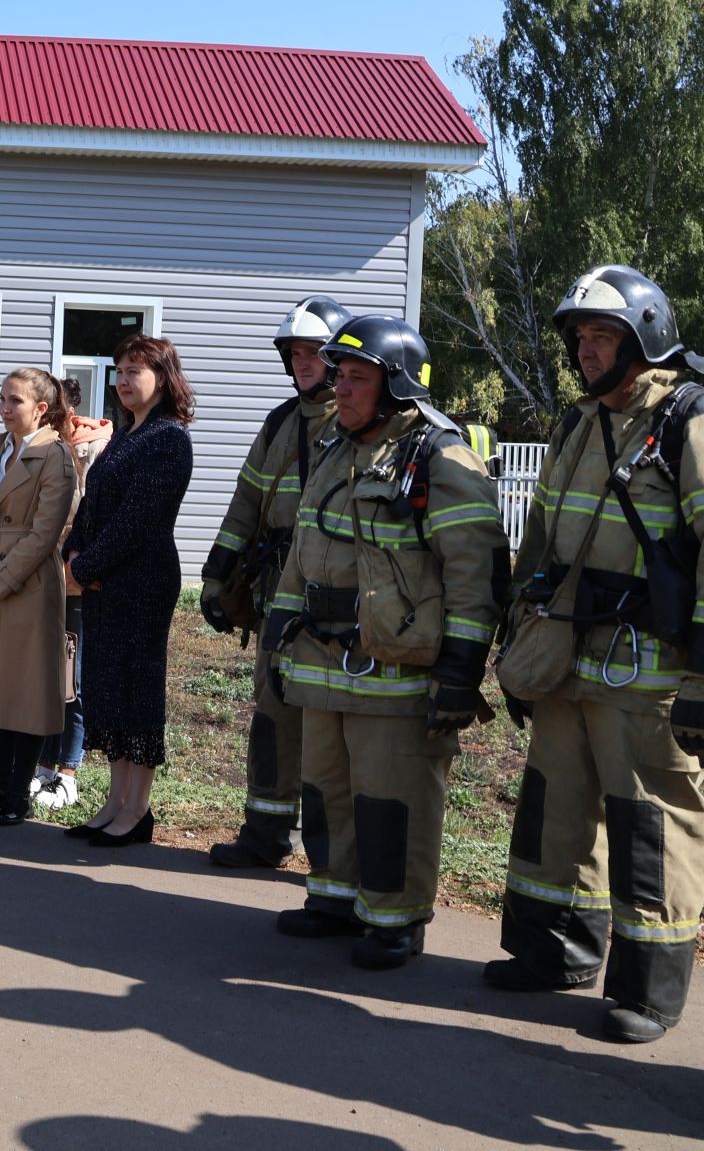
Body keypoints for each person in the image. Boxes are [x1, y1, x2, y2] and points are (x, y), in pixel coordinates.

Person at [484, 265, 704, 1043]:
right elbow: (540, 539)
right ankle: (554, 954)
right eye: (579, 337)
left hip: (645, 673)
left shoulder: (687, 420)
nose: (585, 350)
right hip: (565, 661)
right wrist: (518, 639)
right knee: (554, 812)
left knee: (650, 829)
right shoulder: (579, 424)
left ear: (645, 336)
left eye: (601, 336)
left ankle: (649, 993)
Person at [264, 315, 504, 970]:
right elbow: (301, 555)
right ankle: (334, 898)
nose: (339, 389)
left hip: (395, 672)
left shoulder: (440, 455)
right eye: (338, 377)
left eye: (356, 378)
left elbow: (473, 570)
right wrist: (280, 635)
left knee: (392, 802)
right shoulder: (336, 447)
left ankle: (395, 920)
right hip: (322, 664)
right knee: (327, 793)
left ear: (395, 383)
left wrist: (461, 669)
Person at [201, 297, 351, 869]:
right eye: (294, 353)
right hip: (275, 596)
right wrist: (217, 579)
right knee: (272, 714)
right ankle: (265, 834)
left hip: (333, 600)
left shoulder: (356, 418)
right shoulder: (281, 422)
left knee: (324, 727)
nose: (302, 361)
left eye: (313, 351)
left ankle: (330, 855)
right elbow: (246, 503)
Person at [62, 335, 196, 843]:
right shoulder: (123, 433)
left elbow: (139, 519)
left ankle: (137, 810)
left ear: (162, 377)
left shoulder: (168, 438)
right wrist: (73, 550)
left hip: (142, 579)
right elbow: (94, 505)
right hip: (104, 578)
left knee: (136, 694)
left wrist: (87, 563)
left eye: (133, 371)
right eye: (118, 371)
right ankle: (115, 801)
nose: (122, 380)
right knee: (108, 691)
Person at [0, 368, 79, 826]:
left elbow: (46, 532)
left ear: (41, 409)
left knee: (25, 689)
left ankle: (17, 792)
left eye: (15, 401)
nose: (5, 407)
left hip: (28, 586)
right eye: (2, 399)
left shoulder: (56, 456)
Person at [32, 379, 111, 809]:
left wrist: (78, 566)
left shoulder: (91, 450)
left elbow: (88, 516)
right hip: (43, 581)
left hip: (77, 582)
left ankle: (69, 774)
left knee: (71, 680)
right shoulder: (46, 448)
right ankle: (45, 765)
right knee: (48, 676)